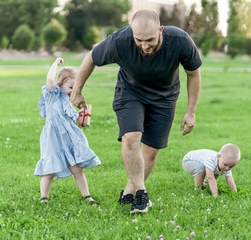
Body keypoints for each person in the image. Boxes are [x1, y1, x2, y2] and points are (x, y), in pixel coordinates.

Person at [71, 9, 201, 214]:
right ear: (132, 32)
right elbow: (91, 58)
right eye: (139, 40)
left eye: (150, 39)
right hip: (131, 91)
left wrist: (190, 112)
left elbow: (193, 74)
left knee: (151, 149)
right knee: (131, 137)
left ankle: (129, 192)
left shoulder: (180, 41)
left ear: (160, 30)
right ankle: (142, 193)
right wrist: (77, 91)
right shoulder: (120, 40)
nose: (144, 45)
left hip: (165, 97)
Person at [34, 57, 101, 205]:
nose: (73, 91)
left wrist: (81, 118)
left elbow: (72, 120)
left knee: (77, 169)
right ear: (60, 84)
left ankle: (87, 196)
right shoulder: (52, 96)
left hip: (68, 141)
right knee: (49, 171)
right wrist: (55, 64)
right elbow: (50, 81)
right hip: (53, 140)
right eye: (71, 87)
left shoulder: (69, 104)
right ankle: (43, 197)